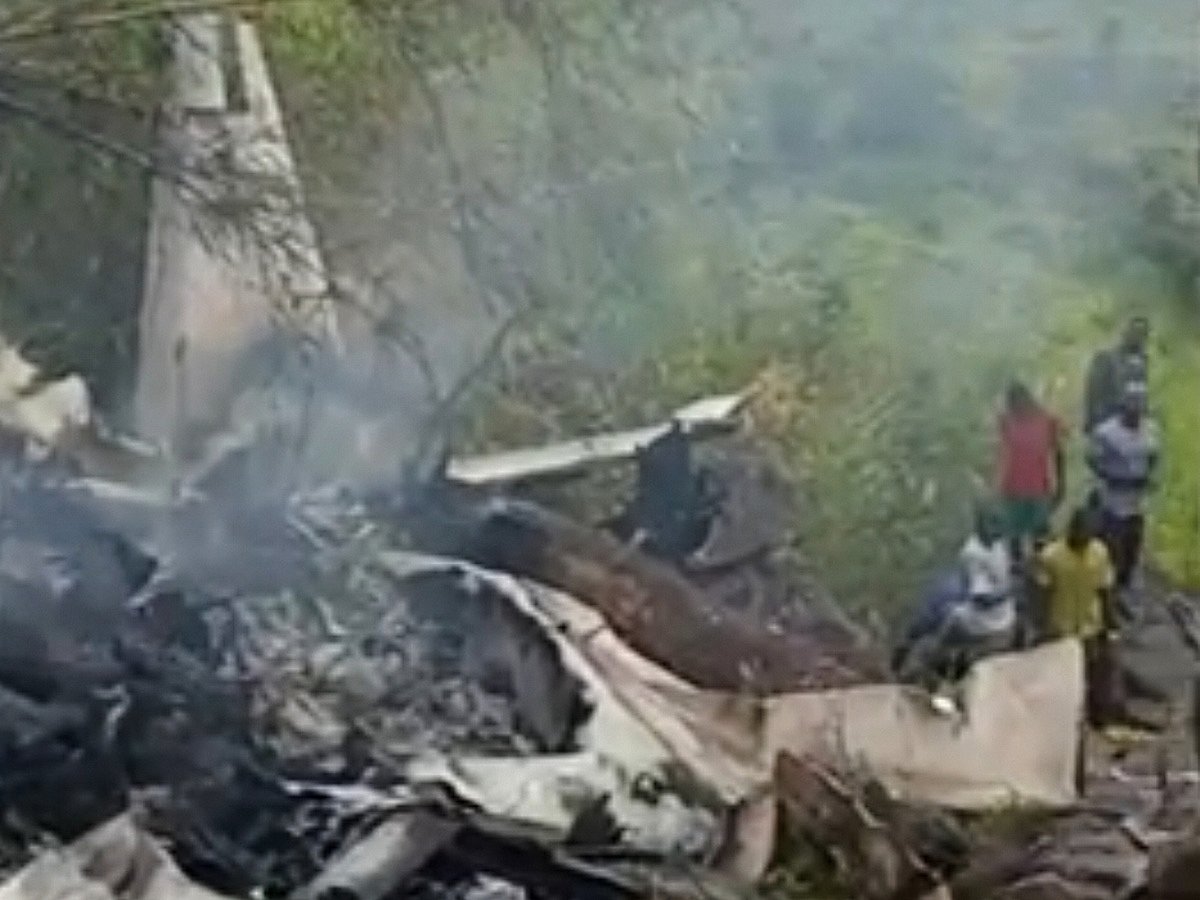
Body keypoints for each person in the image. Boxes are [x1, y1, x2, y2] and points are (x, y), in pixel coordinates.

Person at [1087, 381, 1158, 593]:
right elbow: (1092, 459)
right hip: (1112, 499)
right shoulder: (1107, 432)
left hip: (1138, 499)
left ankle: (1125, 584)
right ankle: (1107, 587)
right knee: (1112, 545)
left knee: (1133, 544)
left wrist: (1147, 475)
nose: (1136, 410)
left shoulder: (1151, 429)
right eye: (1132, 404)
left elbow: (1154, 455)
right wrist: (1113, 476)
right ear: (1123, 404)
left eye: (1140, 404)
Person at [997, 381, 1064, 561]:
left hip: (1039, 487)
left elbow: (1058, 452)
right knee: (1014, 535)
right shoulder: (1006, 420)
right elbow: (1003, 452)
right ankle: (1016, 568)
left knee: (1040, 537)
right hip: (1013, 486)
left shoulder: (1047, 420)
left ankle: (1042, 569)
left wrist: (1061, 484)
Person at [1084, 317, 1149, 434]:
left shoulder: (1141, 360)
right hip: (1108, 418)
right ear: (1126, 333)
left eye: (1143, 334)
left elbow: (1140, 393)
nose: (1139, 338)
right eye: (1135, 332)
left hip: (1132, 424)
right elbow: (1092, 390)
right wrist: (1090, 420)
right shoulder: (1106, 357)